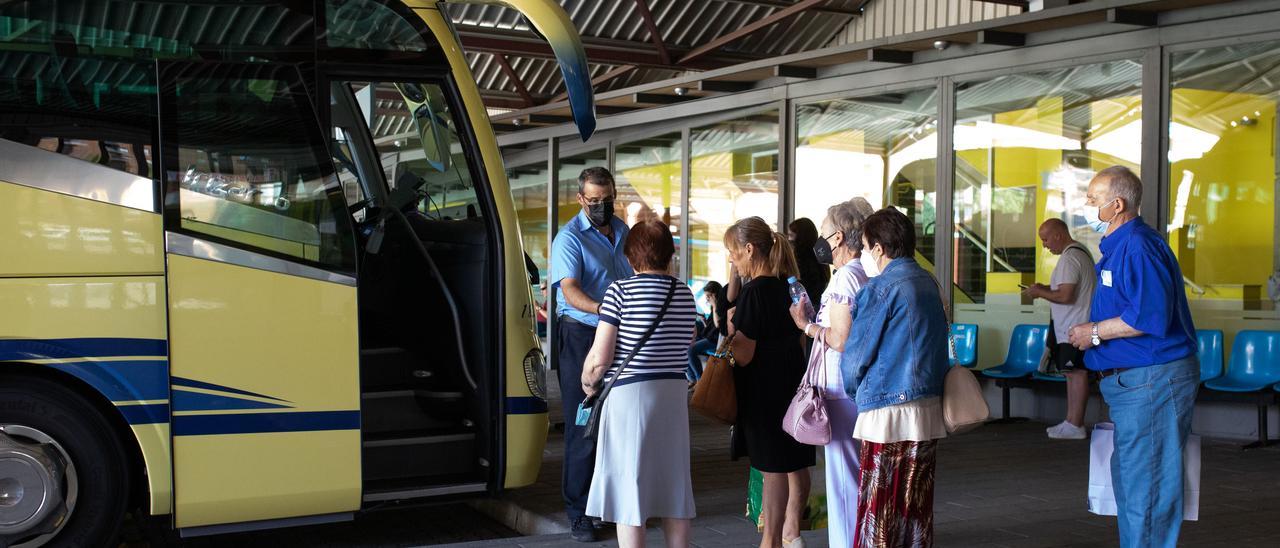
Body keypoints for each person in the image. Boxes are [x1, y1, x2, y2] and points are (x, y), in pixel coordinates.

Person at [1066, 166, 1198, 548]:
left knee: (1148, 488)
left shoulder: (1138, 245)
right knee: (1133, 482)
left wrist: (1092, 332)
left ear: (1116, 204)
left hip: (1152, 380)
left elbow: (1149, 316)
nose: (1087, 206)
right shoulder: (1120, 245)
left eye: (1092, 199)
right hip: (1135, 383)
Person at [581, 219, 698, 548]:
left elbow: (600, 359)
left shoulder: (619, 291)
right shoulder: (684, 292)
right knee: (675, 484)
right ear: (669, 255)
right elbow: (687, 337)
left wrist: (589, 383)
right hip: (673, 398)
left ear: (631, 257)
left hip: (631, 399)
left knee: (629, 487)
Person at [840, 207, 950, 548]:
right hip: (927, 406)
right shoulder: (929, 282)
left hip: (886, 408)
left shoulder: (880, 288)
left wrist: (854, 390)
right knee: (914, 507)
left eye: (867, 246)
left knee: (879, 508)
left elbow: (856, 356)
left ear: (877, 248)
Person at [549, 166, 634, 542]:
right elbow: (569, 292)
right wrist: (606, 309)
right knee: (585, 423)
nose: (602, 206)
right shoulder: (568, 239)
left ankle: (611, 508)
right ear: (581, 199)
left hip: (619, 333)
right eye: (595, 200)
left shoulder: (623, 232)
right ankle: (579, 511)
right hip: (582, 334)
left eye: (608, 198)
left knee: (617, 425)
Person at [788, 198, 875, 548]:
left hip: (839, 389)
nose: (820, 240)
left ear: (838, 238)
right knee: (857, 475)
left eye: (824, 232)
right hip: (858, 387)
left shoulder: (845, 279)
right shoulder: (867, 273)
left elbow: (840, 338)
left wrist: (807, 326)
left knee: (844, 481)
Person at [724, 216, 814, 548]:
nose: (732, 260)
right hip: (792, 383)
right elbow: (801, 340)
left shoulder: (753, 293)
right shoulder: (789, 288)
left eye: (734, 252)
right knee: (794, 459)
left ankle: (771, 541)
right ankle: (792, 532)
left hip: (763, 390)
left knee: (771, 466)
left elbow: (744, 354)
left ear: (750, 249)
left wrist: (731, 333)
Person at [1023, 218, 1096, 440]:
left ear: (1058, 235)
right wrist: (1044, 288)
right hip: (1072, 327)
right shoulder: (1079, 253)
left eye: (1046, 239)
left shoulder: (1070, 258)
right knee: (1070, 373)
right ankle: (1071, 421)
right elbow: (1065, 289)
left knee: (1076, 373)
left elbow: (1065, 295)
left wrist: (1039, 293)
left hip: (1075, 327)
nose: (1045, 245)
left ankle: (1076, 423)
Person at [687, 281, 723, 386]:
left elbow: (718, 325)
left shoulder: (720, 305)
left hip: (715, 340)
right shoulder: (713, 306)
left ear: (715, 294)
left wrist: (715, 305)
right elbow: (711, 326)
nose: (707, 299)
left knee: (691, 350)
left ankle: (700, 381)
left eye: (708, 296)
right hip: (710, 336)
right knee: (685, 346)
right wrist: (704, 320)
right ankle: (692, 379)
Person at [789, 217, 830, 306]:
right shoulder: (820, 257)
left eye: (791, 235)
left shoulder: (802, 261)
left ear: (800, 237)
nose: (789, 240)